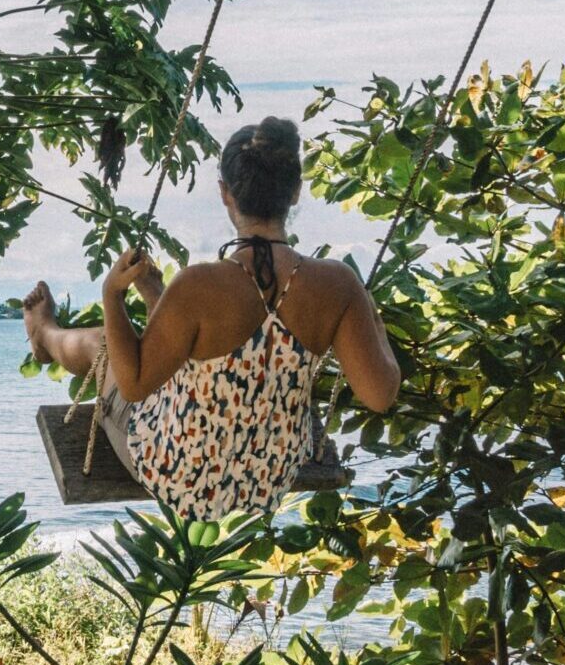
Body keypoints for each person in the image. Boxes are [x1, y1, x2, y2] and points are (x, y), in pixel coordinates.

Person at [22, 116, 400, 523]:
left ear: (225, 194)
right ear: (295, 192)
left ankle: (45, 333)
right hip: (266, 480)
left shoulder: (200, 285)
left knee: (103, 345)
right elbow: (381, 395)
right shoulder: (338, 284)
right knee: (190, 349)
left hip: (178, 474)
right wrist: (372, 323)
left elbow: (133, 386)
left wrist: (111, 295)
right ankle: (154, 299)